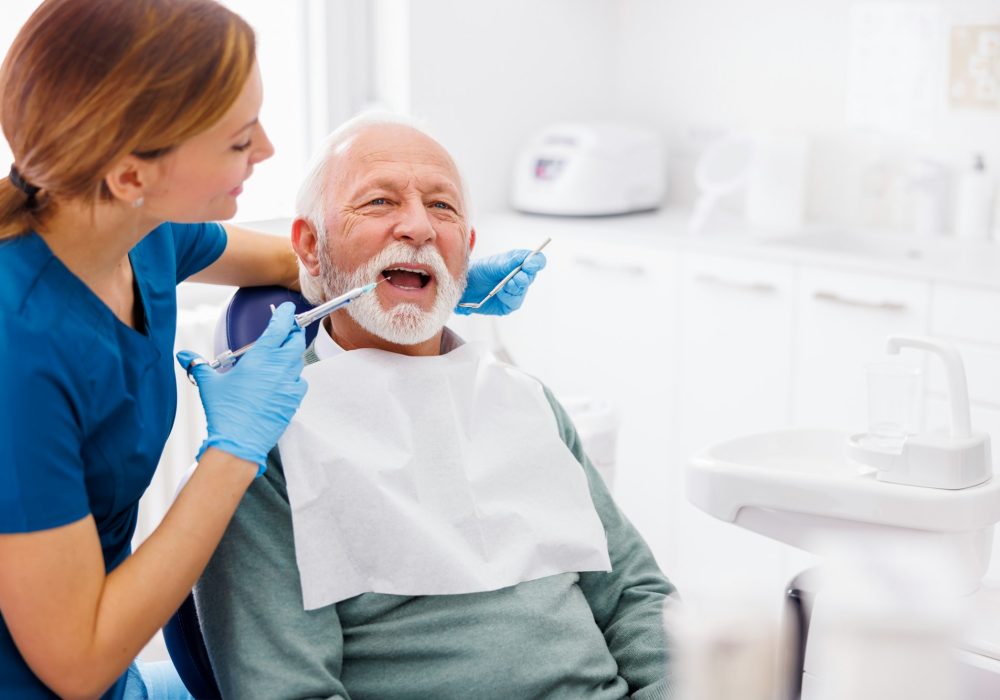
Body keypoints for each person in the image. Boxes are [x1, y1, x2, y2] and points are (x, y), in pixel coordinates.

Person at [0, 3, 544, 698]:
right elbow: (76, 664)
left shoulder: (142, 231)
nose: (265, 150)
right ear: (132, 176)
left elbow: (300, 264)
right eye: (236, 140)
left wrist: (435, 282)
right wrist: (233, 453)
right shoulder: (18, 347)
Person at [195, 115, 677, 700]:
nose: (420, 227)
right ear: (310, 246)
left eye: (444, 208)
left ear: (466, 254)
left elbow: (637, 596)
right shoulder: (270, 440)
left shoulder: (525, 403)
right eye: (378, 202)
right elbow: (289, 688)